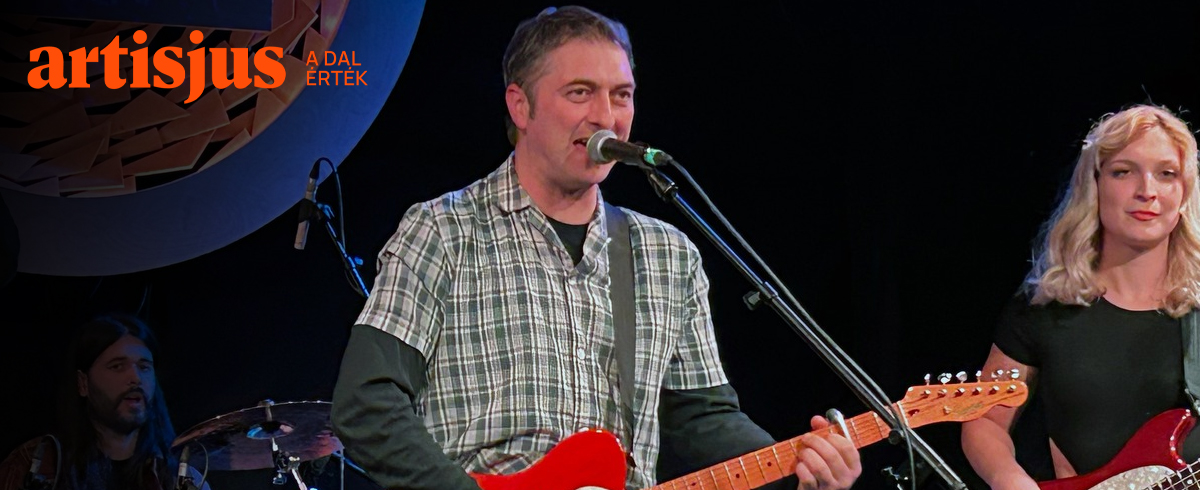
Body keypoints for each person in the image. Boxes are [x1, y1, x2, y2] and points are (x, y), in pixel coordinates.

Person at [330, 5, 861, 490]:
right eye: (580, 92)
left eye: (621, 95)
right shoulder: (443, 230)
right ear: (520, 105)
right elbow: (367, 404)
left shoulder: (668, 254)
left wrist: (798, 468)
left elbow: (701, 420)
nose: (606, 117)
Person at [961, 104, 1200, 488]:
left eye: (1166, 174)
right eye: (1123, 172)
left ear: (1185, 191)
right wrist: (1009, 478)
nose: (1147, 191)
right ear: (1094, 184)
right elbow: (986, 419)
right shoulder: (1044, 307)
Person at [0, 313, 211, 490]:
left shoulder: (179, 477)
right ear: (83, 383)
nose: (135, 378)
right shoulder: (36, 464)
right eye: (117, 366)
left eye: (144, 367)